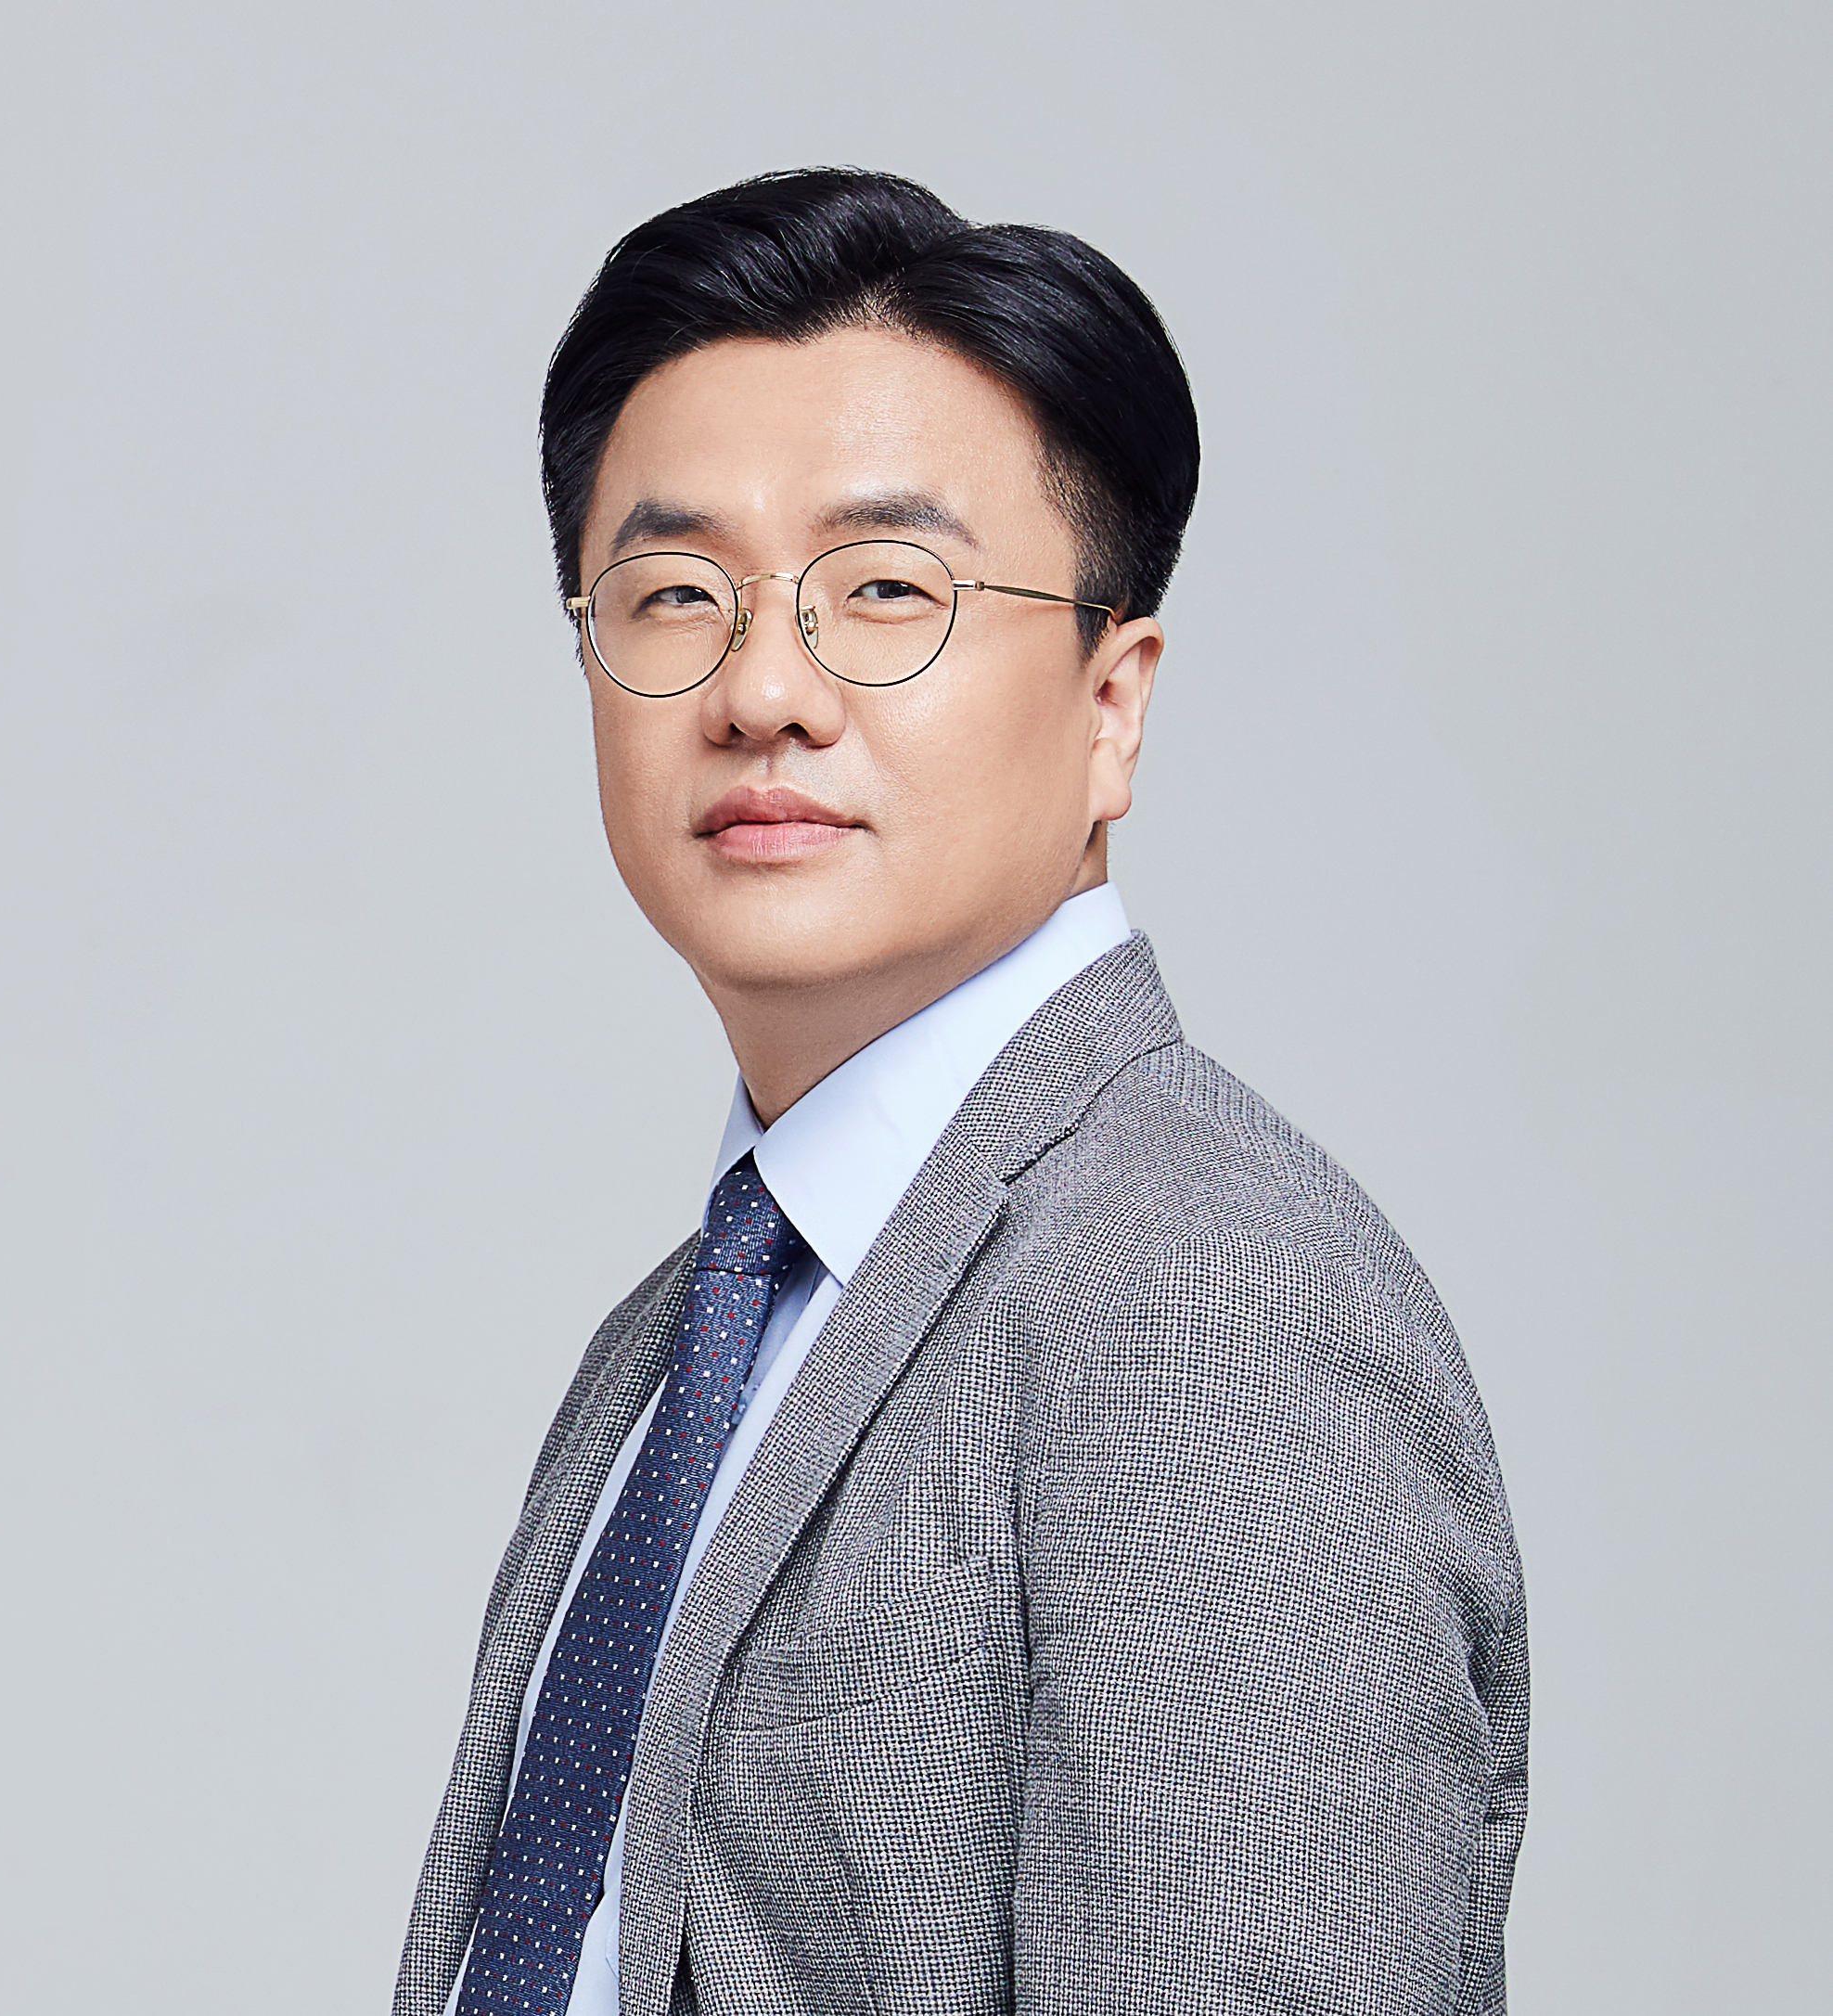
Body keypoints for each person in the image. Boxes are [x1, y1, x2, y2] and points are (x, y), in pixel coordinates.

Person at [393, 168, 1528, 2016]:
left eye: (884, 591)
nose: (764, 688)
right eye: (673, 595)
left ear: (1111, 703)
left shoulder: (1210, 1300)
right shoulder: (685, 1338)